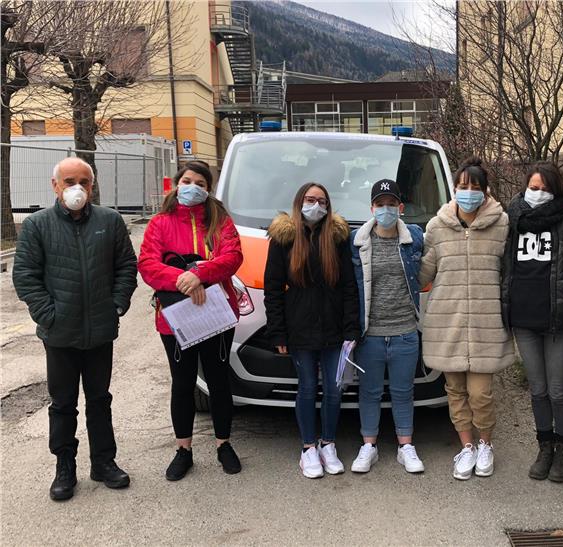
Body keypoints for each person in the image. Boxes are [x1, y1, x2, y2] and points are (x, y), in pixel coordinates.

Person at [13, 157, 137, 501]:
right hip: (60, 334)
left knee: (100, 400)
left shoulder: (110, 221)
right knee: (63, 403)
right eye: (69, 181)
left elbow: (126, 265)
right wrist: (49, 315)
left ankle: (104, 463)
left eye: (84, 181)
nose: (77, 188)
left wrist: (116, 304)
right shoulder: (37, 225)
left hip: (100, 331)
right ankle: (64, 468)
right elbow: (25, 276)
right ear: (55, 186)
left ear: (92, 185)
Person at [138, 162, 243, 481]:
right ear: (176, 184)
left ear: (208, 189)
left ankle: (224, 444)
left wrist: (198, 274)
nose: (192, 186)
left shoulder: (220, 221)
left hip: (216, 315)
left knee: (219, 382)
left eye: (200, 182)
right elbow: (147, 264)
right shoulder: (160, 223)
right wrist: (184, 278)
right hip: (174, 319)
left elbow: (233, 257)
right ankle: (184, 449)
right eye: (187, 180)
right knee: (182, 384)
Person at [419, 157, 514, 480]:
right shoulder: (437, 226)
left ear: (485, 191)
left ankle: (486, 443)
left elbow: (513, 271)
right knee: (455, 391)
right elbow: (422, 274)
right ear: (454, 189)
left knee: (481, 394)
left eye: (475, 187)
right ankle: (467, 447)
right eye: (463, 187)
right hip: (447, 321)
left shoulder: (502, 225)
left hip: (487, 324)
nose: (468, 192)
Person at [264, 182, 360, 479]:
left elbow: (348, 286)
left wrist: (351, 328)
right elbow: (273, 289)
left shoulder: (338, 237)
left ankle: (327, 443)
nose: (316, 205)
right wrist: (278, 332)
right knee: (306, 387)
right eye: (310, 199)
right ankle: (308, 448)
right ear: (299, 201)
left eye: (321, 201)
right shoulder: (283, 237)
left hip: (333, 328)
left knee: (334, 389)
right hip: (300, 328)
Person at [501, 162, 563, 483]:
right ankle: (544, 446)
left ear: (556, 190)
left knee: (559, 391)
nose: (537, 194)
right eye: (533, 188)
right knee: (538, 389)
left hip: (556, 318)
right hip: (523, 317)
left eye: (544, 188)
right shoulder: (512, 219)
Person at [349, 179, 425, 474]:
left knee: (403, 391)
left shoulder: (415, 237)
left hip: (405, 331)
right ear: (371, 208)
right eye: (380, 205)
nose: (386, 209)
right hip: (371, 334)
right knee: (368, 391)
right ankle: (369, 446)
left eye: (391, 204)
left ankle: (405, 446)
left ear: (401, 207)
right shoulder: (356, 242)